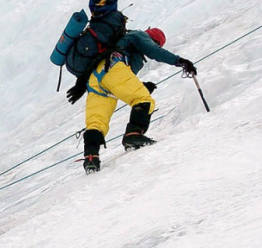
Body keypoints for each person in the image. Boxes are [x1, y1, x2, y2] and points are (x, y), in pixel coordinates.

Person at [67, 14, 196, 173]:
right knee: (144, 100)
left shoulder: (126, 44)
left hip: (94, 80)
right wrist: (180, 61)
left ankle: (91, 159)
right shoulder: (139, 36)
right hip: (112, 67)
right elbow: (153, 51)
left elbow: (121, 82)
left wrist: (141, 85)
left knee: (96, 122)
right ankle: (133, 135)